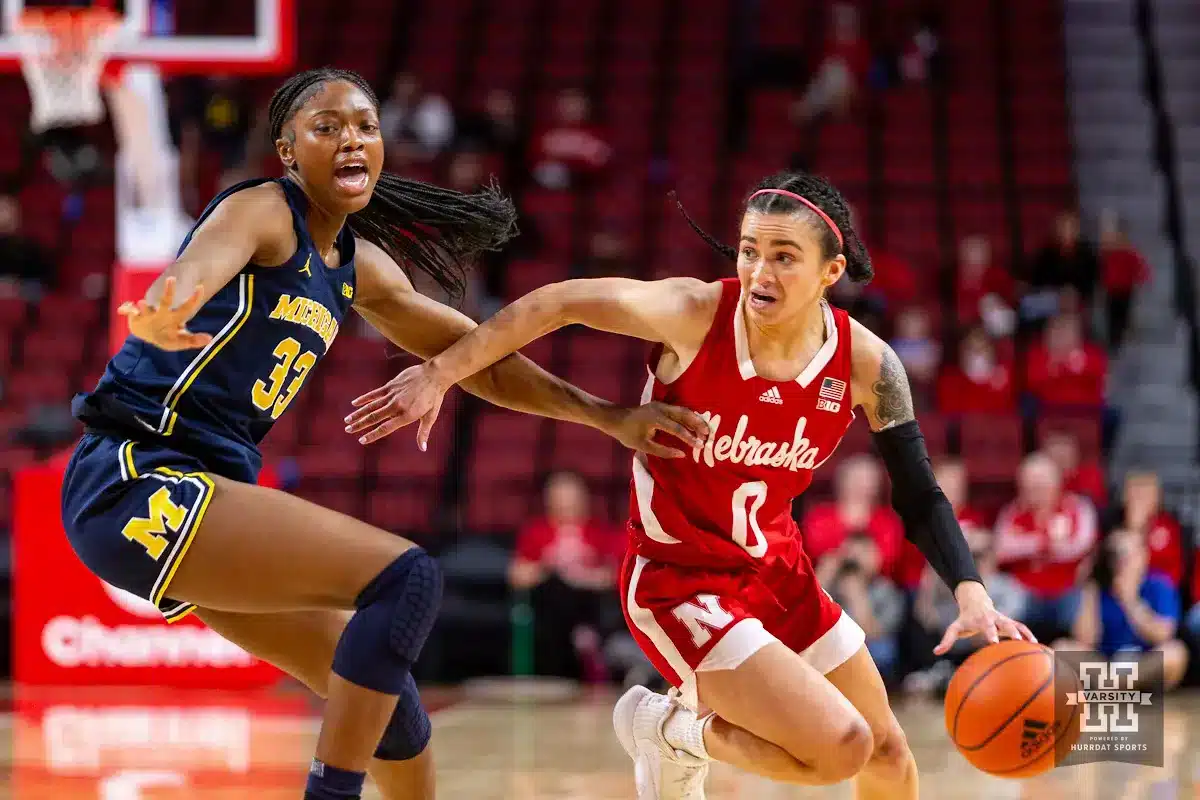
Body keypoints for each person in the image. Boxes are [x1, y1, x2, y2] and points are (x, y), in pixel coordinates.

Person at [59, 68, 710, 800]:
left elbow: (480, 362)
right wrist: (163, 306)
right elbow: (196, 268)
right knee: (406, 578)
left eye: (365, 126)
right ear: (286, 149)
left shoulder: (360, 269)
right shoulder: (264, 211)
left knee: (393, 716)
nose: (351, 140)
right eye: (326, 127)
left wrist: (609, 417)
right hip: (136, 475)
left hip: (205, 491)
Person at [346, 170, 1035, 800]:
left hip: (777, 570)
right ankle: (670, 730)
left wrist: (969, 592)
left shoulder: (866, 362)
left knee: (887, 751)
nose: (759, 271)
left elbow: (918, 490)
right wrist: (439, 374)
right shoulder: (694, 312)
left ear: (832, 271)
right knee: (842, 747)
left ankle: (673, 728)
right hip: (679, 581)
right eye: (748, 250)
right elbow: (557, 303)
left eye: (783, 256)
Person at [1054, 529, 1189, 691]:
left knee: (1175, 653)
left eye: (1128, 554)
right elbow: (1085, 640)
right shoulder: (1099, 588)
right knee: (1060, 649)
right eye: (1116, 555)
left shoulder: (1158, 584)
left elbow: (1163, 634)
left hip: (1143, 662)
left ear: (1143, 556)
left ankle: (1118, 685)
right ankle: (1121, 686)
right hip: (1106, 663)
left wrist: (1130, 601)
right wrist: (1089, 587)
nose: (1122, 561)